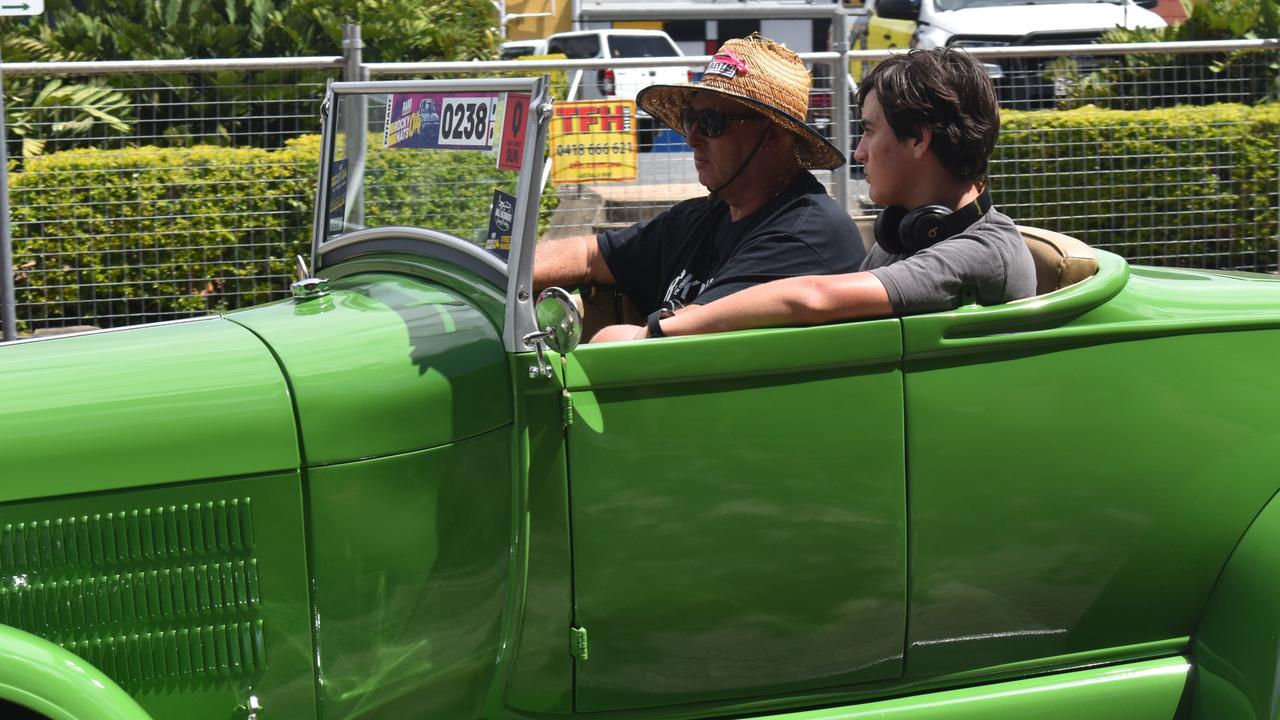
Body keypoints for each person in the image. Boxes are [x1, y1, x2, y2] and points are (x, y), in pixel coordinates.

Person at [591, 47, 1036, 342]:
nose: (858, 152)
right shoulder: (910, 233)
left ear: (918, 139)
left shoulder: (981, 251)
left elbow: (812, 298)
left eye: (868, 131)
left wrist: (654, 334)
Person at [533, 34, 865, 325]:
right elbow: (590, 254)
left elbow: (686, 334)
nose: (691, 138)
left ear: (773, 136)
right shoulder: (701, 218)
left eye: (711, 121)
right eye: (692, 118)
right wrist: (500, 275)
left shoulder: (804, 236)